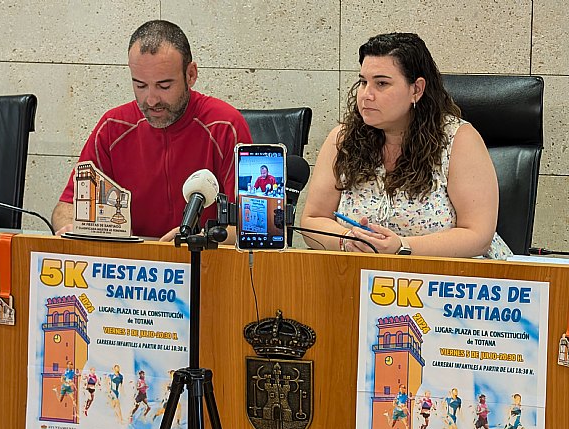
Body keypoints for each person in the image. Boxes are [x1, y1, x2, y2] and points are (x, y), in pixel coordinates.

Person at [301, 32, 512, 259]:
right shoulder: (342, 139)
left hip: (452, 283)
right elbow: (313, 220)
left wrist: (402, 246)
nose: (366, 95)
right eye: (363, 82)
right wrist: (346, 241)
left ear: (416, 89)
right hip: (363, 278)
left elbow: (477, 236)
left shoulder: (458, 139)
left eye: (381, 83)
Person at [52, 20, 252, 240]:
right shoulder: (113, 127)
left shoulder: (225, 126)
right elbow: (67, 207)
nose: (151, 99)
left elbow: (257, 225)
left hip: (206, 262)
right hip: (133, 266)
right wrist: (72, 226)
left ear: (191, 75)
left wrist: (201, 237)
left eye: (164, 86)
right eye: (140, 85)